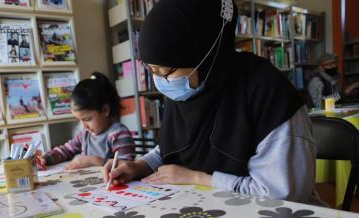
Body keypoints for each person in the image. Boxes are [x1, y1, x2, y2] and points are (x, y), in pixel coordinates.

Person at [104, 0, 323, 205]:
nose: (160, 80)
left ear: (206, 55)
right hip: (203, 213)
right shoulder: (190, 88)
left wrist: (198, 178)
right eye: (151, 69)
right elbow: (173, 148)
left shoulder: (267, 92)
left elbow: (281, 195)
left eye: (166, 70)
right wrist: (139, 166)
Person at [39, 72, 136, 170]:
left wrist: (94, 161)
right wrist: (46, 159)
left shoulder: (118, 133)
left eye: (87, 119)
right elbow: (66, 150)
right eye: (80, 120)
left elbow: (127, 166)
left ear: (105, 110)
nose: (84, 126)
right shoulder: (85, 135)